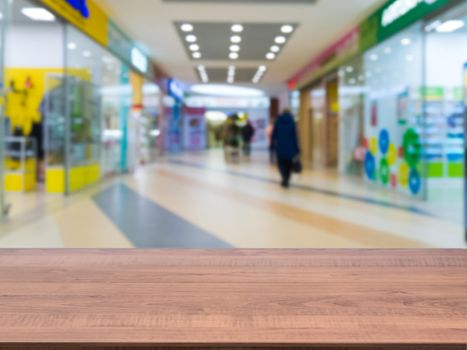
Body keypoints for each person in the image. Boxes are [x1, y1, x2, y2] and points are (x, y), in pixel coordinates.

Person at [272, 108, 300, 188]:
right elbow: (295, 137)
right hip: (291, 147)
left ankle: (284, 177)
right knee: (289, 164)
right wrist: (297, 148)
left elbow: (274, 136)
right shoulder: (292, 122)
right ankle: (287, 178)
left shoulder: (277, 122)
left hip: (280, 147)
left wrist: (273, 146)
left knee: (281, 164)